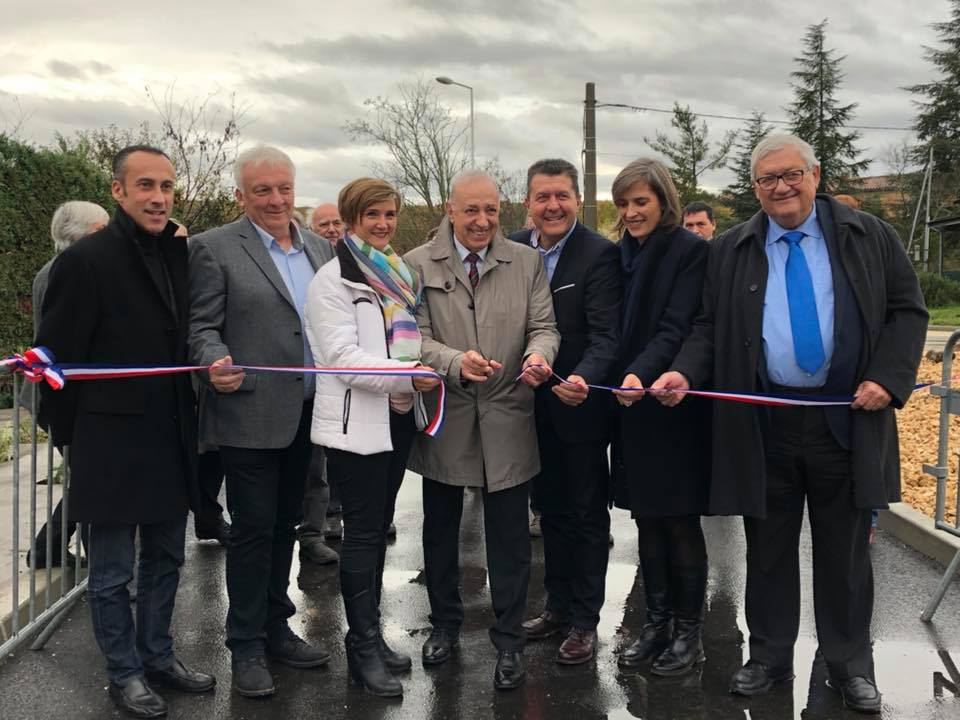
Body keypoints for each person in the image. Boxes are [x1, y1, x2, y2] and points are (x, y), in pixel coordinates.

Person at [652, 134, 928, 714]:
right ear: (755, 188)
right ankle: (770, 656)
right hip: (766, 422)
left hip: (848, 418)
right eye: (766, 179)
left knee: (846, 552)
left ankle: (850, 664)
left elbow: (908, 310)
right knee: (769, 549)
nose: (779, 187)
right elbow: (706, 326)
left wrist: (888, 376)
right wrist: (682, 372)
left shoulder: (867, 235)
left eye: (790, 174)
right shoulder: (731, 249)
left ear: (814, 173)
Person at [35, 146, 215, 718]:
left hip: (169, 436)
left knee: (166, 559)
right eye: (144, 185)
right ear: (118, 192)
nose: (158, 196)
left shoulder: (176, 255)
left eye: (166, 186)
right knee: (111, 572)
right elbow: (53, 367)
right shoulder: (84, 261)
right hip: (108, 441)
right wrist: (75, 439)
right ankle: (124, 672)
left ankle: (158, 656)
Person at [188, 145, 334, 698]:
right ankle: (245, 646)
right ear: (240, 196)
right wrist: (211, 362)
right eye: (262, 191)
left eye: (284, 189)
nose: (276, 200)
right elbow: (201, 327)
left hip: (309, 412)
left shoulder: (322, 247)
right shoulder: (213, 248)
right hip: (248, 411)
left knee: (284, 526)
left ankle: (276, 629)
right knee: (251, 531)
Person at [404, 170, 560, 690]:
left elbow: (545, 326)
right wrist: (451, 360)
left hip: (508, 414)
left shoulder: (527, 261)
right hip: (446, 415)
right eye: (471, 210)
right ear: (449, 210)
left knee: (511, 539)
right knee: (441, 530)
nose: (482, 221)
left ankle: (509, 640)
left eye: (491, 210)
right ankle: (444, 625)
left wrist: (540, 356)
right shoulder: (416, 264)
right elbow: (411, 339)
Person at [304, 177, 440, 697]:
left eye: (389, 214)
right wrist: (409, 375)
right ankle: (360, 649)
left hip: (398, 415)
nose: (382, 224)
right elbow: (340, 358)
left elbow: (411, 339)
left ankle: (373, 635)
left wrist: (417, 377)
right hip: (356, 424)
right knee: (361, 536)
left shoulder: (397, 271)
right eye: (372, 216)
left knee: (379, 526)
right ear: (351, 218)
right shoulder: (332, 280)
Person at [511, 159, 621, 665]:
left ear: (578, 199)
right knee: (549, 512)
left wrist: (586, 378)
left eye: (561, 195)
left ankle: (584, 619)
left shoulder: (600, 255)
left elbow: (605, 334)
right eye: (542, 197)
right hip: (521, 409)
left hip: (575, 406)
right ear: (528, 202)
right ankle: (556, 605)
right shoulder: (511, 248)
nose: (552, 206)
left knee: (584, 515)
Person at [609, 159, 711, 677]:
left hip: (669, 402)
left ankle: (688, 632)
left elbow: (677, 326)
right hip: (631, 406)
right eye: (623, 203)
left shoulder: (689, 251)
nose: (630, 212)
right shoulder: (622, 253)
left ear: (663, 201)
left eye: (640, 202)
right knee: (646, 517)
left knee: (678, 520)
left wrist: (639, 373)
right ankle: (655, 622)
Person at [23, 200, 108, 570]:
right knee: (93, 477)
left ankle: (49, 548)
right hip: (66, 394)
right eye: (105, 230)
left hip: (62, 393)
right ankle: (97, 562)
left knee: (90, 475)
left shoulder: (59, 269)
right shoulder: (69, 272)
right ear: (86, 235)